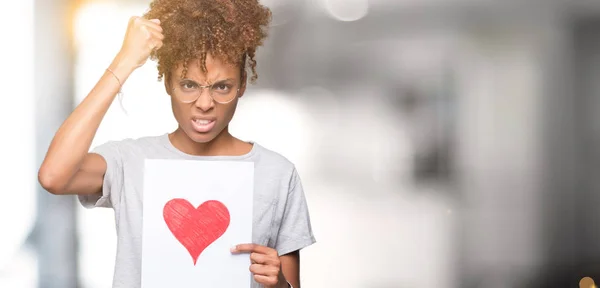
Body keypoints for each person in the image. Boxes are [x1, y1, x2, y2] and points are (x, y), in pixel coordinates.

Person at [37, 0, 315, 287]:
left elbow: (289, 283)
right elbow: (54, 176)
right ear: (168, 82)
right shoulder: (131, 162)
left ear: (242, 83)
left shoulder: (277, 174)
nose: (205, 104)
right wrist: (125, 61)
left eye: (222, 87)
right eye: (188, 85)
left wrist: (279, 283)